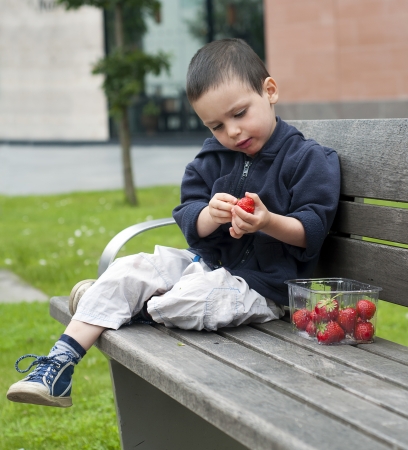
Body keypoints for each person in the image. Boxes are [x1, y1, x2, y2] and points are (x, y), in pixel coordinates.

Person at [7, 38, 340, 408]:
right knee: (130, 267)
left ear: (270, 91)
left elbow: (311, 228)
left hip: (264, 290)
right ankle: (57, 367)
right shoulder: (213, 157)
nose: (231, 132)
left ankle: (112, 303)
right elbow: (187, 216)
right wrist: (207, 216)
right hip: (203, 265)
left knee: (192, 300)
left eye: (240, 113)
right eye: (216, 125)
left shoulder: (307, 160)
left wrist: (267, 221)